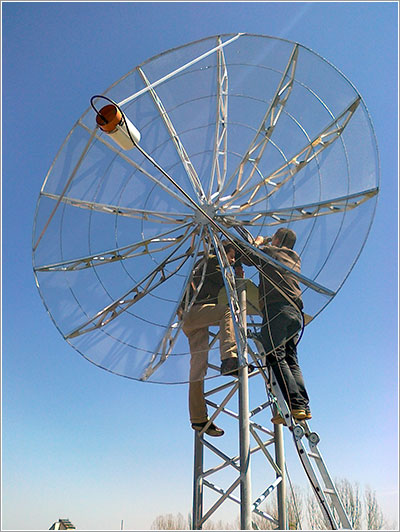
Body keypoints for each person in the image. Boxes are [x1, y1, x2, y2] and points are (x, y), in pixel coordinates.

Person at [241, 228, 311, 424]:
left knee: (274, 355)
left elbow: (247, 256)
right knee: (290, 358)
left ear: (278, 239)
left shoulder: (272, 252)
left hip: (277, 309)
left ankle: (295, 404)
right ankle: (302, 407)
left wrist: (259, 241)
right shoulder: (295, 258)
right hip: (296, 313)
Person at [181, 241, 240, 437]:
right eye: (232, 256)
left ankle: (198, 418)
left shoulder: (203, 263)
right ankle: (229, 359)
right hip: (195, 312)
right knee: (226, 312)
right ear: (224, 252)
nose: (232, 260)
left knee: (198, 368)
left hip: (192, 317)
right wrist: (237, 272)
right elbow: (228, 283)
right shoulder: (213, 260)